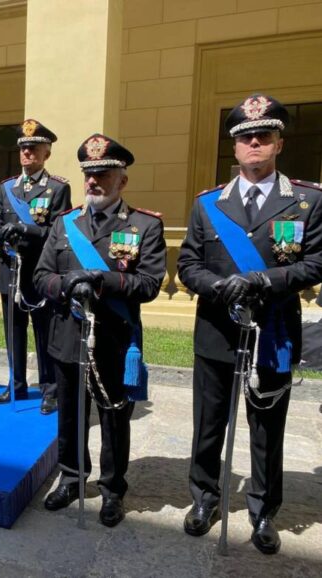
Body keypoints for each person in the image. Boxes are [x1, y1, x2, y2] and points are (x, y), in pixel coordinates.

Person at [177, 94, 322, 555]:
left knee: (266, 426)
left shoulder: (306, 201)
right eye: (245, 138)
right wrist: (218, 287)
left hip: (273, 329)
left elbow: (317, 262)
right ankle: (203, 499)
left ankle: (263, 510)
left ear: (278, 143)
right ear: (235, 148)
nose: (254, 143)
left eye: (264, 136)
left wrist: (267, 278)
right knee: (208, 423)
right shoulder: (208, 205)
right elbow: (189, 264)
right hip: (218, 327)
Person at [33, 134, 166, 527]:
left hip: (114, 337)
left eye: (103, 175)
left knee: (113, 416)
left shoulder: (143, 225)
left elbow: (149, 283)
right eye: (89, 174)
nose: (94, 182)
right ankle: (72, 476)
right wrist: (68, 284)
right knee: (70, 414)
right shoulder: (64, 223)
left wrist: (103, 280)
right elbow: (42, 276)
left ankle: (112, 489)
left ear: (121, 180)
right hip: (66, 334)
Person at [0, 119, 71, 414]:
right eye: (23, 148)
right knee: (14, 332)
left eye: (34, 149)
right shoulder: (6, 188)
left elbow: (57, 232)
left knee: (44, 331)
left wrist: (26, 231)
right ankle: (17, 384)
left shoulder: (58, 188)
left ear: (46, 153)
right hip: (11, 271)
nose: (27, 154)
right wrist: (1, 234)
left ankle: (49, 388)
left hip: (40, 272)